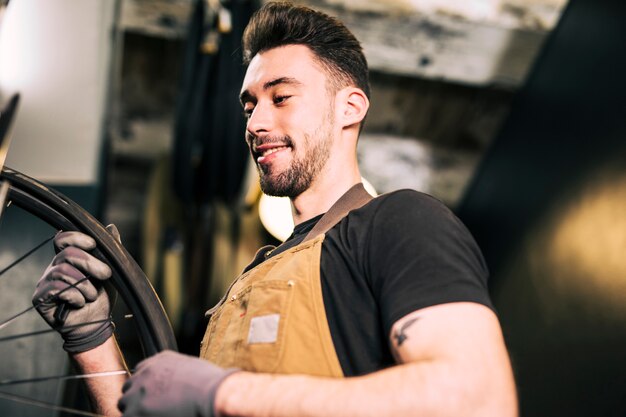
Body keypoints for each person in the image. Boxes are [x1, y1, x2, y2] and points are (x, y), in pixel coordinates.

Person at [32, 2, 518, 416]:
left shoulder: (400, 223)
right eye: (249, 107)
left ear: (350, 107)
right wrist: (90, 336)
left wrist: (223, 391)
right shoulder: (250, 280)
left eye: (281, 97)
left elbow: (477, 400)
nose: (257, 122)